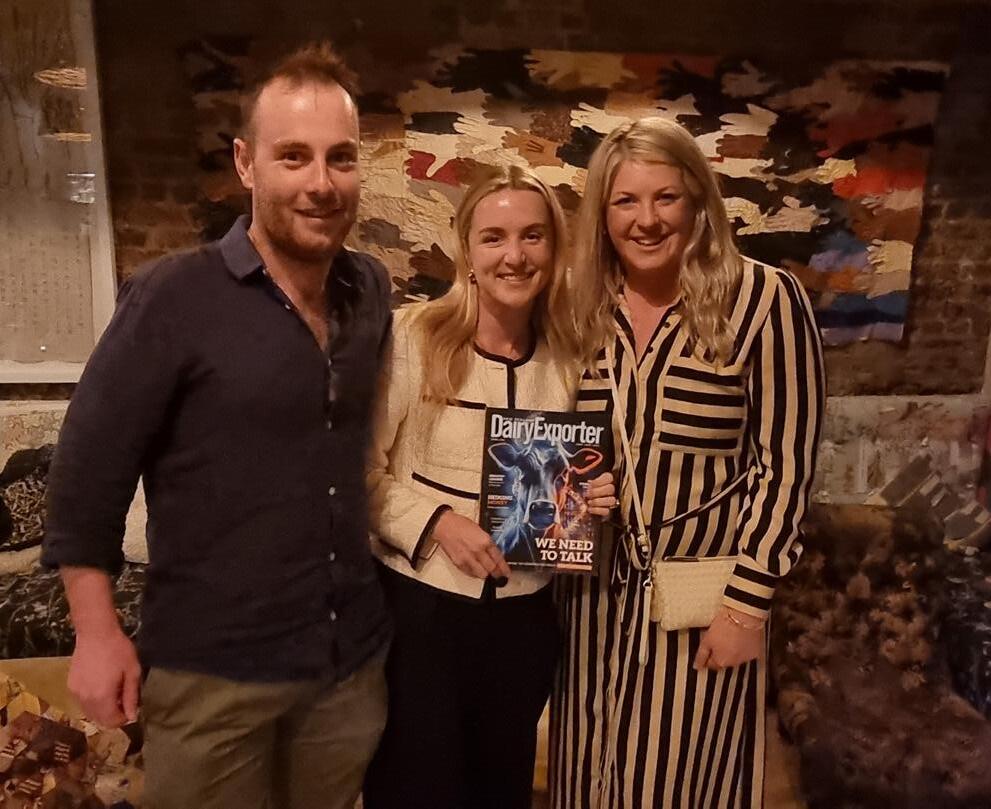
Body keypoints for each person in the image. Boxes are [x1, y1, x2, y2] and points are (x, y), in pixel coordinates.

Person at [41, 42, 391, 809]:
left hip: (346, 669)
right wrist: (96, 632)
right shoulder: (172, 296)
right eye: (293, 156)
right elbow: (87, 471)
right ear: (245, 163)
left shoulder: (368, 289)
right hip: (212, 677)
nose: (320, 182)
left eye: (339, 157)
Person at [550, 117, 825, 809]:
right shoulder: (577, 305)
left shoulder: (764, 300)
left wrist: (747, 606)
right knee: (584, 778)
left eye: (665, 197)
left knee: (679, 782)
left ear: (698, 198)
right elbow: (546, 439)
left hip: (701, 607)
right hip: (586, 604)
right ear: (602, 213)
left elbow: (785, 467)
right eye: (625, 201)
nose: (645, 220)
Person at [362, 164, 615, 809]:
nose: (514, 256)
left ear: (555, 249)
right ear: (467, 251)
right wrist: (436, 522)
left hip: (524, 621)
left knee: (502, 789)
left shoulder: (572, 357)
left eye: (533, 236)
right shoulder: (413, 337)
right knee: (414, 790)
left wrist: (590, 496)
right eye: (494, 237)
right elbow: (358, 474)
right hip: (420, 617)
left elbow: (575, 479)